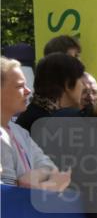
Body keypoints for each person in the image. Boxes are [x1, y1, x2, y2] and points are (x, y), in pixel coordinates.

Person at [0, 57, 71, 190]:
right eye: (20, 86)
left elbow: (50, 167)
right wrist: (47, 186)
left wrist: (32, 179)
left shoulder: (20, 132)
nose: (28, 91)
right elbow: (7, 192)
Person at [15, 52, 86, 134]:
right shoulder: (51, 123)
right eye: (81, 79)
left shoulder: (34, 115)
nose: (84, 86)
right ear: (68, 84)